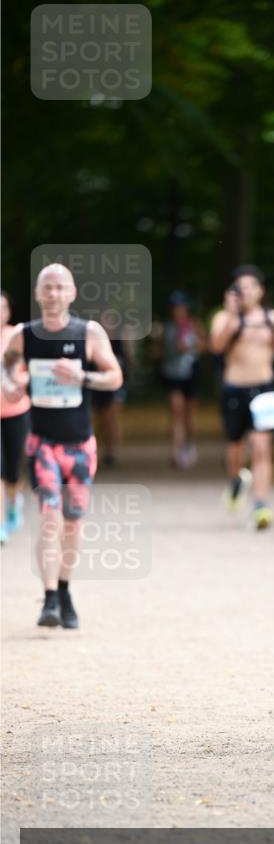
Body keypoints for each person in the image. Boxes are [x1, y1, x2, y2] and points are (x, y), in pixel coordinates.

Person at [1, 263, 123, 628]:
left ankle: (66, 591)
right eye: (46, 288)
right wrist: (13, 384)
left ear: (71, 293)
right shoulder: (25, 334)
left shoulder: (88, 332)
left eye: (60, 287)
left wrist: (81, 376)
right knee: (50, 518)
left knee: (72, 524)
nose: (53, 294)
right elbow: (7, 366)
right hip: (42, 444)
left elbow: (114, 377)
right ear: (38, 294)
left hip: (80, 447)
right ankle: (49, 597)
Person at [209, 265, 274, 530]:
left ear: (260, 290)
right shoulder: (224, 318)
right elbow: (216, 347)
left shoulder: (272, 318)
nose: (245, 292)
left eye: (250, 287)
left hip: (265, 389)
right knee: (235, 448)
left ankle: (261, 505)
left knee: (261, 447)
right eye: (240, 288)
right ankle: (235, 481)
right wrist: (232, 316)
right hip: (234, 390)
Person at [156, 291, 205, 469]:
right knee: (176, 410)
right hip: (171, 374)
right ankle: (175, 449)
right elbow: (160, 350)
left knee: (189, 414)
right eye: (175, 307)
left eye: (181, 307)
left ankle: (189, 445)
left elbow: (204, 345)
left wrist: (189, 346)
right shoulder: (167, 327)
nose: (178, 310)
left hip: (190, 372)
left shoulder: (193, 325)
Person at [0, 290, 31, 544]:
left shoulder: (17, 336)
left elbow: (30, 370)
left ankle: (12, 503)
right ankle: (0, 525)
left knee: (12, 469)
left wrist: (19, 382)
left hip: (16, 411)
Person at [92, 309, 132, 468]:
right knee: (101, 419)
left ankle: (112, 451)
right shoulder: (94, 341)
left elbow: (128, 363)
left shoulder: (121, 340)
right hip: (99, 385)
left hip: (117, 385)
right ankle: (100, 449)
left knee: (112, 416)